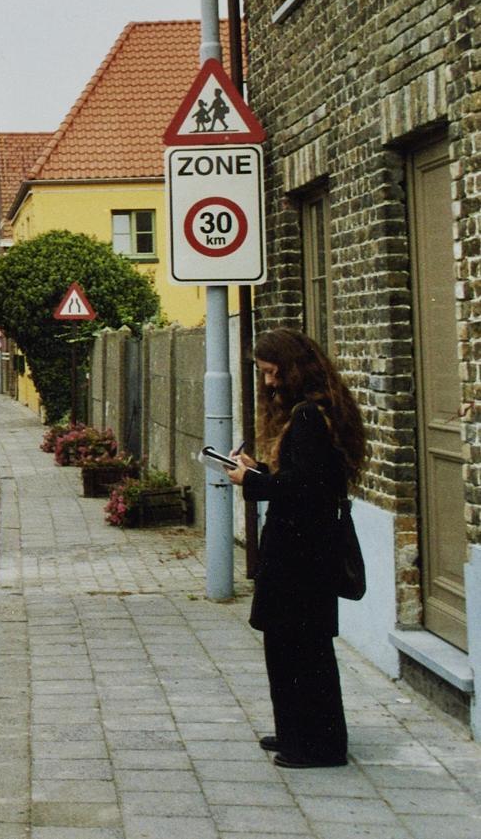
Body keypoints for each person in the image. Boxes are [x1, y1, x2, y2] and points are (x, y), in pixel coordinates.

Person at [226, 328, 367, 769]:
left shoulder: (308, 418)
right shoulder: (314, 413)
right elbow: (300, 477)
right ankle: (294, 732)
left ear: (294, 369)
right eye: (264, 374)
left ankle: (319, 746)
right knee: (288, 645)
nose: (269, 383)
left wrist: (251, 480)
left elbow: (302, 488)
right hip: (303, 547)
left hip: (302, 553)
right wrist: (259, 470)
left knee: (302, 649)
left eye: (273, 373)